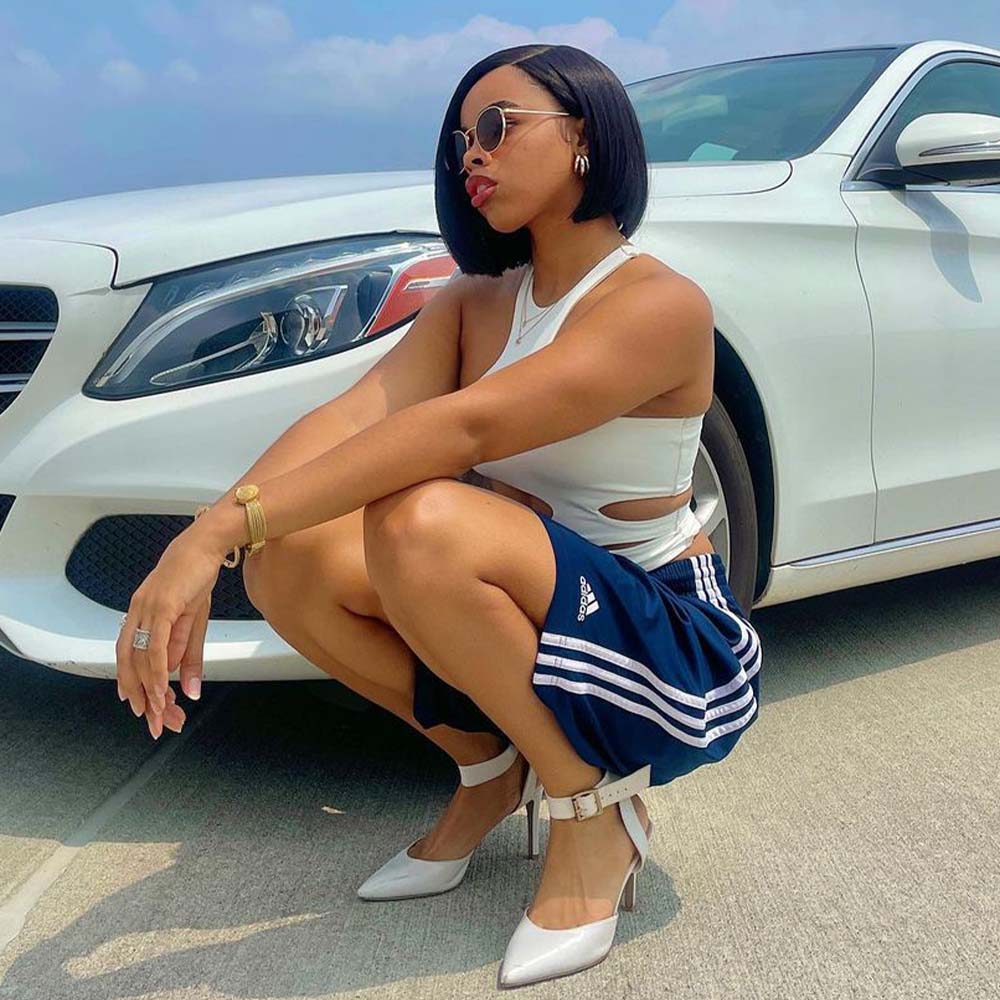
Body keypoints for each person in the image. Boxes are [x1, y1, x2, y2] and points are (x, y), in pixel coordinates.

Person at [115, 43, 762, 990]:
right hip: (541, 612)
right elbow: (351, 419)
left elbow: (464, 426)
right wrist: (206, 538)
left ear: (584, 135)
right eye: (462, 138)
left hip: (667, 643)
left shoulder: (660, 303)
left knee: (420, 519)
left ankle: (595, 812)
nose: (473, 154)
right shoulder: (474, 301)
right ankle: (492, 772)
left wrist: (215, 534)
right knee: (286, 556)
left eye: (498, 126)